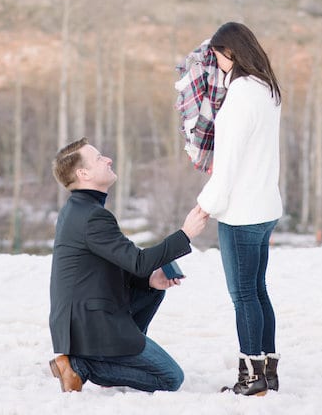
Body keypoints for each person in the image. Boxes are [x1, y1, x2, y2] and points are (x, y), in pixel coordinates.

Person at [48, 137, 208, 393]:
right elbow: (139, 261)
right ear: (83, 173)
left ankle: (107, 356)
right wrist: (185, 234)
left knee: (153, 289)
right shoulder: (92, 216)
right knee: (171, 378)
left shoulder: (79, 210)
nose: (108, 159)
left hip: (82, 320)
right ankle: (81, 366)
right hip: (91, 324)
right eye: (99, 158)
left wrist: (149, 280)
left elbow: (120, 265)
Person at [196, 22, 283, 396]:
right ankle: (268, 370)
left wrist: (204, 206)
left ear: (229, 52)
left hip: (242, 212)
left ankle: (252, 378)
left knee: (243, 294)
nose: (214, 63)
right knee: (258, 290)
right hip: (265, 206)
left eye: (216, 55)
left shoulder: (239, 98)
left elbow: (227, 164)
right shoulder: (267, 90)